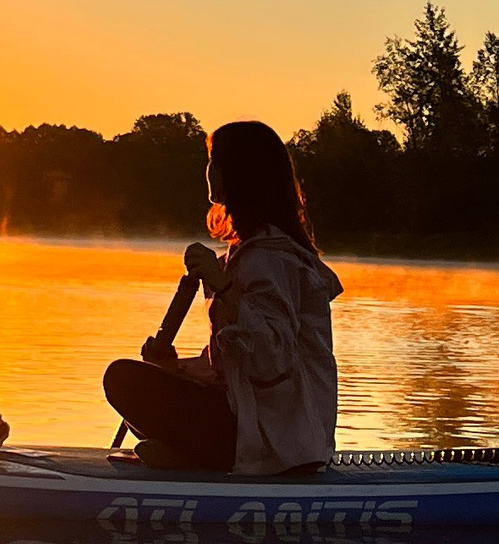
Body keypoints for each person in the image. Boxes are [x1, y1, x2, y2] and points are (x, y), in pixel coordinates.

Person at [102, 120, 340, 474]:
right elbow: (230, 370)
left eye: (215, 160)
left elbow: (272, 361)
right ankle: (186, 455)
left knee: (121, 378)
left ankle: (197, 460)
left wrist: (223, 287)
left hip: (280, 444)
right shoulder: (246, 255)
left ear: (242, 172)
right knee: (137, 377)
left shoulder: (273, 258)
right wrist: (172, 367)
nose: (209, 171)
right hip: (255, 426)